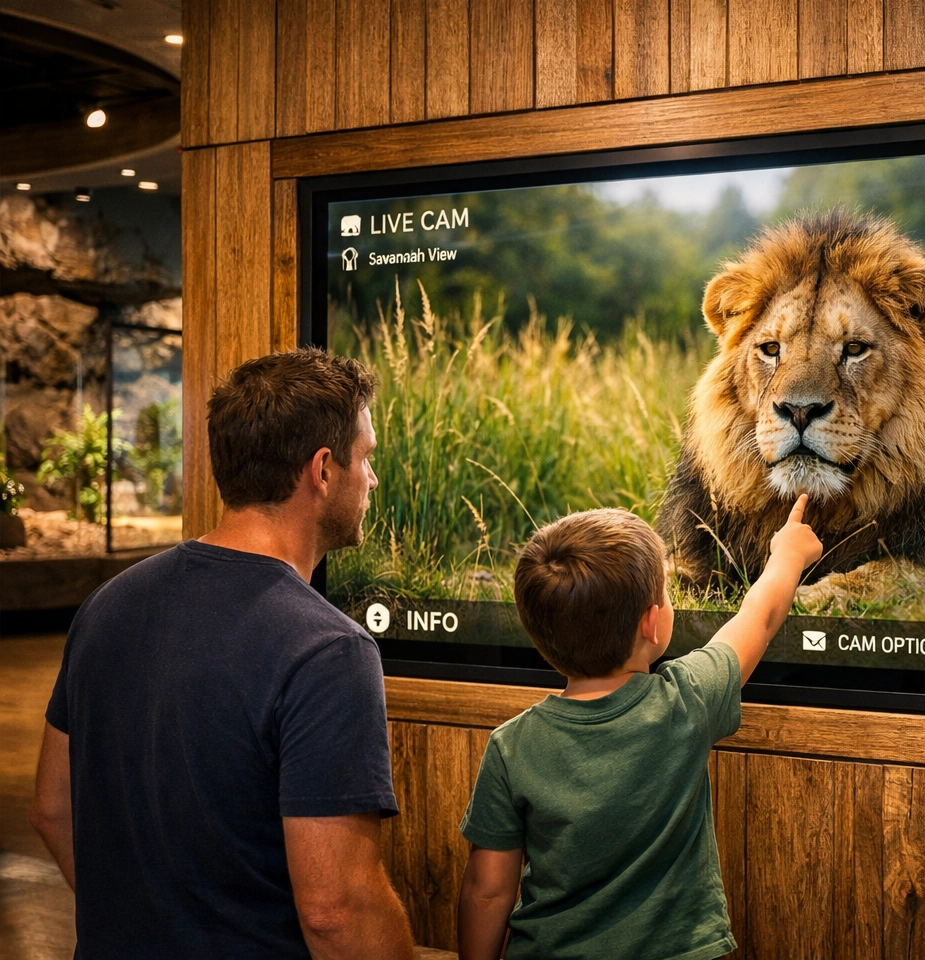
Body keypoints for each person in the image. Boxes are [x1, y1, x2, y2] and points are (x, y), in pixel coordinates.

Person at [30, 349, 413, 960]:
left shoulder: (106, 605)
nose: (371, 478)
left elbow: (52, 809)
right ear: (322, 470)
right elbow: (336, 910)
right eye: (365, 458)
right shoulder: (329, 650)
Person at [456, 498, 823, 960]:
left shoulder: (511, 746)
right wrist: (787, 555)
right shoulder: (686, 700)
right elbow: (759, 619)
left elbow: (486, 891)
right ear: (653, 623)